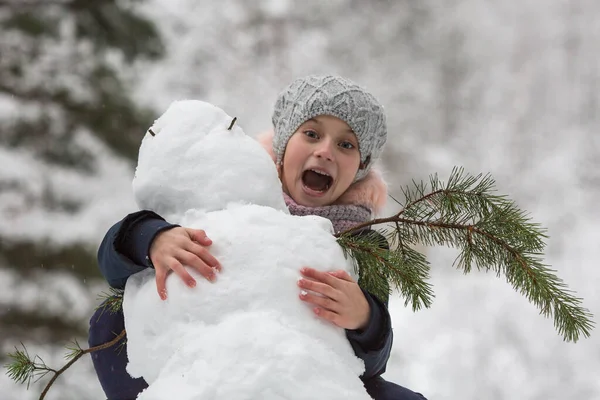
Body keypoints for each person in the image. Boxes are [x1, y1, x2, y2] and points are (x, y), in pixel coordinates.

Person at [89, 75, 427, 400]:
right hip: (203, 357)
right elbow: (111, 264)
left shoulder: (362, 245)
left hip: (305, 373)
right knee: (110, 323)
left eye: (346, 144)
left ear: (360, 167)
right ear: (282, 144)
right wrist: (153, 238)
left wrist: (365, 319)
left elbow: (371, 367)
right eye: (311, 133)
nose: (325, 151)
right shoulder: (228, 193)